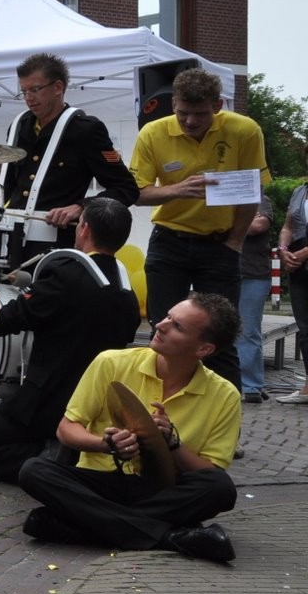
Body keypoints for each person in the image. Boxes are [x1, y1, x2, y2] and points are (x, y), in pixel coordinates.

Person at [0, 196, 143, 482]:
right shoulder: (126, 292)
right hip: (88, 413)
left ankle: (41, 458)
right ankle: (50, 450)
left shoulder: (64, 277)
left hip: (39, 410)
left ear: (85, 229)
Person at [17, 293, 243, 563]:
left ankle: (85, 524)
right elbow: (66, 430)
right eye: (168, 316)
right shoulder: (111, 362)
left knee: (220, 488)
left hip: (162, 489)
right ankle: (170, 536)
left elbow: (211, 472)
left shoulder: (225, 395)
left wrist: (173, 444)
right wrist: (105, 444)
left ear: (204, 349)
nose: (161, 325)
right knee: (34, 470)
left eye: (177, 326)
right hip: (102, 481)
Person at [130, 68, 268, 389]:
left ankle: (224, 414)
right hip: (169, 242)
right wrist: (178, 190)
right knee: (162, 331)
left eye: (200, 114)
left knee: (220, 337)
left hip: (220, 245)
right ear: (173, 104)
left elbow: (251, 192)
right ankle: (158, 407)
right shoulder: (153, 132)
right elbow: (136, 193)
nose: (190, 121)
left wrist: (235, 242)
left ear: (218, 105)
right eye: (183, 113)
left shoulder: (244, 130)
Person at [0, 53, 138, 259]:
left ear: (57, 87)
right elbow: (8, 181)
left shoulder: (85, 129)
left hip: (55, 246)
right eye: (24, 91)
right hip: (11, 239)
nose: (28, 98)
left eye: (35, 89)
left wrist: (81, 207)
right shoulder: (20, 126)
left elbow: (126, 189)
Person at [277, 156, 308, 404]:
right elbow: (288, 226)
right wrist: (283, 249)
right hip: (299, 265)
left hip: (302, 256)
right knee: (305, 327)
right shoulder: (299, 191)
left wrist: (304, 253)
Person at [236, 204, 275, 404]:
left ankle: (251, 386)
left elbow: (257, 226)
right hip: (220, 271)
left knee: (248, 330)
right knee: (215, 329)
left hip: (253, 275)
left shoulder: (261, 199)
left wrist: (224, 221)